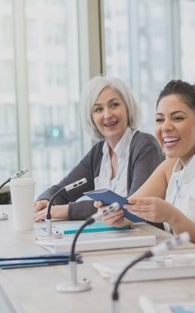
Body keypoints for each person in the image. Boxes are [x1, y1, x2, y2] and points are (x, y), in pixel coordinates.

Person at [99, 79, 195, 245]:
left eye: (177, 118)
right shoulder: (172, 164)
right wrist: (116, 214)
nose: (165, 127)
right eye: (159, 119)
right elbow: (131, 207)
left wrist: (172, 217)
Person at [33, 76, 164, 221]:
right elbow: (61, 192)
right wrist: (45, 201)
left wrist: (68, 210)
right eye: (98, 109)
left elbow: (132, 207)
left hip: (147, 239)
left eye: (114, 105)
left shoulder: (145, 146)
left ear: (127, 108)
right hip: (110, 238)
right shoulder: (99, 153)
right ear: (91, 118)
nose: (107, 115)